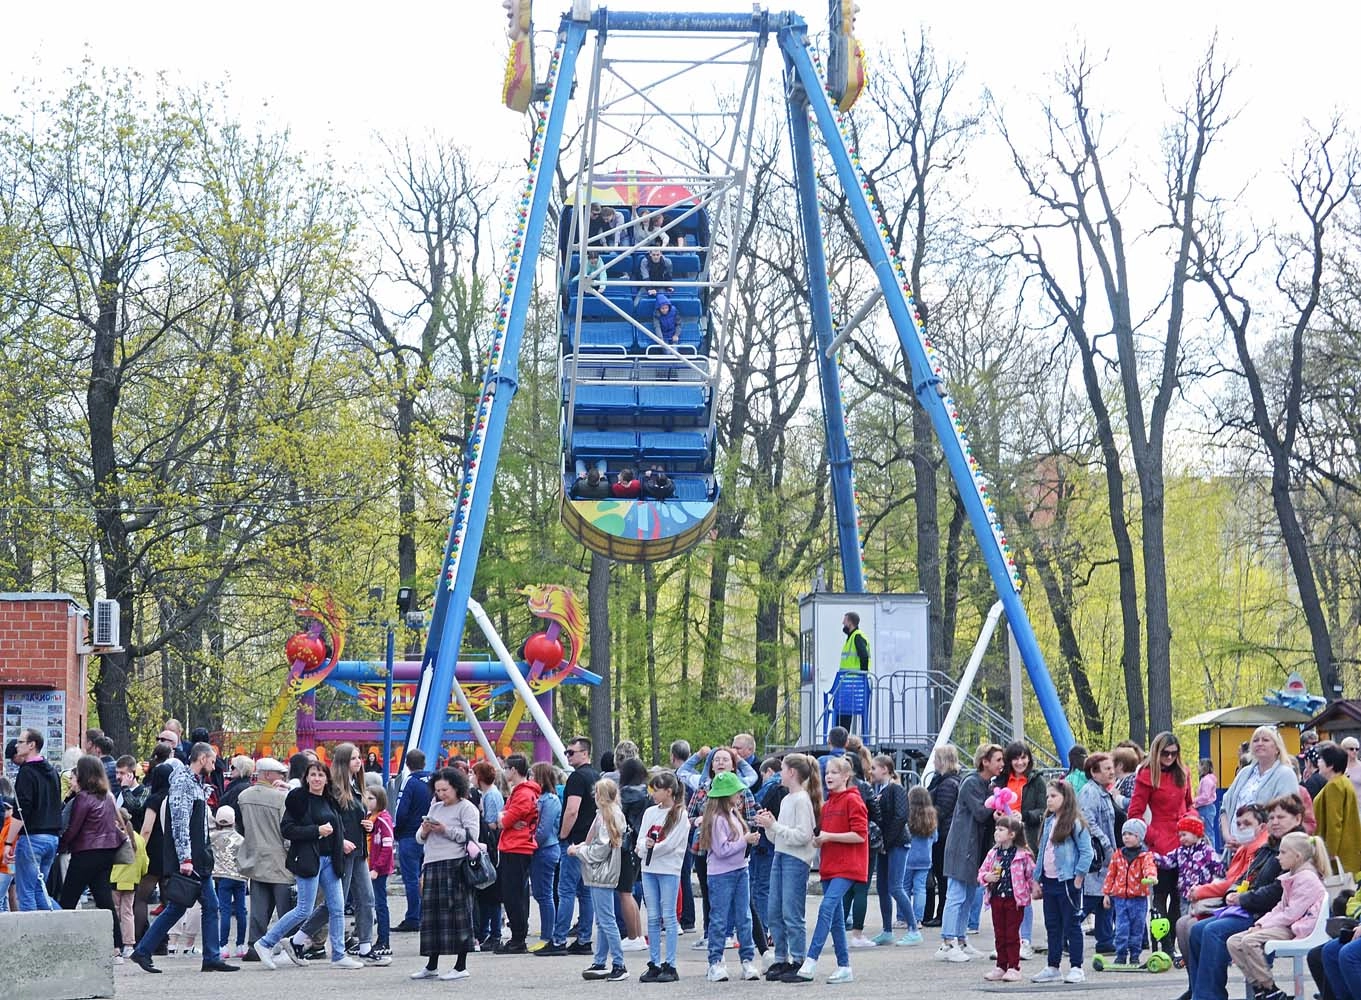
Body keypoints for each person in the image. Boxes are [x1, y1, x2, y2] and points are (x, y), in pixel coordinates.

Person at [1184, 794, 1307, 1000]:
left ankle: (1208, 996)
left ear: (1297, 819)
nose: (1275, 822)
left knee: (1213, 931)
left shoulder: (1296, 849)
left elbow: (1276, 892)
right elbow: (1246, 878)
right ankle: (1203, 993)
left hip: (1270, 916)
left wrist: (1242, 899)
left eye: (1281, 817)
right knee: (1197, 930)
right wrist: (1234, 893)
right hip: (1251, 908)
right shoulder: (1269, 847)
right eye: (1272, 817)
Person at [130, 744, 240, 974]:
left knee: (192, 907)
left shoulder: (193, 783)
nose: (214, 764)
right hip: (192, 859)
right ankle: (206, 956)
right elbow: (180, 824)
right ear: (201, 758)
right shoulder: (183, 783)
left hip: (197, 857)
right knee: (195, 907)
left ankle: (147, 951)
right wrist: (186, 858)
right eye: (212, 760)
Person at [291, 743, 384, 965]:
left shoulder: (357, 786)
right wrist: (340, 841)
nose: (359, 761)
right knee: (335, 903)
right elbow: (329, 819)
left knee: (366, 898)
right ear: (343, 762)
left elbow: (353, 816)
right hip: (341, 850)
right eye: (353, 758)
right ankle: (299, 938)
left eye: (359, 758)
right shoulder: (333, 789)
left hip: (359, 849)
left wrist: (367, 826)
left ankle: (365, 946)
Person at [784, 756, 867, 984]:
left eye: (835, 772)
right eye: (827, 772)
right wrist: (820, 840)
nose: (829, 776)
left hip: (848, 867)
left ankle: (811, 960)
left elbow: (860, 835)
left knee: (827, 907)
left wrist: (829, 837)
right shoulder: (828, 805)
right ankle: (844, 966)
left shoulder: (853, 801)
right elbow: (827, 834)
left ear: (846, 776)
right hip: (830, 866)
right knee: (836, 919)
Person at [1173, 803, 1269, 994]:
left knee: (1200, 928)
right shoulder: (1245, 849)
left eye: (1247, 823)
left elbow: (1235, 884)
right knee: (1184, 925)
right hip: (1235, 904)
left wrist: (1202, 891)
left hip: (1251, 910)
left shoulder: (1261, 849)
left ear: (1262, 825)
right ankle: (1197, 988)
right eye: (1239, 824)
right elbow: (1232, 882)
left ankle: (1206, 992)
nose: (1241, 828)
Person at [1226, 830, 1328, 1000]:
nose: (1278, 857)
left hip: (1299, 928)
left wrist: (1262, 927)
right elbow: (1280, 908)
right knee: (1233, 942)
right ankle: (1259, 987)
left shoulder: (1307, 879)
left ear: (1297, 856)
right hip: (1288, 924)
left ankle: (1269, 987)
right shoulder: (1293, 876)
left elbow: (1291, 914)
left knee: (1249, 941)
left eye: (1283, 852)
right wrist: (1260, 925)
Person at [406, 767, 480, 981]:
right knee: (432, 917)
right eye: (437, 790)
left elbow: (470, 836)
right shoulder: (435, 807)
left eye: (445, 789)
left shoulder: (467, 808)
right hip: (432, 863)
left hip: (455, 865)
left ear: (457, 787)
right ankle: (431, 964)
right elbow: (419, 837)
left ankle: (461, 964)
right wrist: (426, 830)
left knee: (458, 915)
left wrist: (444, 829)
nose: (441, 794)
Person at [683, 746, 759, 947]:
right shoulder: (702, 789)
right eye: (716, 760)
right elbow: (688, 816)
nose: (720, 763)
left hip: (734, 850)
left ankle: (729, 934)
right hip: (703, 847)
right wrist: (699, 819)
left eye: (725, 759)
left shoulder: (742, 789)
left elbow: (752, 818)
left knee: (737, 896)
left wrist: (740, 832)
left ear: (734, 765)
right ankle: (710, 933)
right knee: (709, 891)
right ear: (710, 765)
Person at [936, 742, 1003, 962]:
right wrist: (996, 808)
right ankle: (947, 943)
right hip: (962, 846)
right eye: (998, 760)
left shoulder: (987, 784)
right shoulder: (971, 783)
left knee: (966, 896)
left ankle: (961, 939)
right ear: (985, 761)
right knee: (955, 894)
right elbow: (981, 813)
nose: (1002, 764)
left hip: (975, 848)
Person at [756, 752, 819, 981]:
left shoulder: (802, 799)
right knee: (775, 911)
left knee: (792, 912)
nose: (779, 774)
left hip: (796, 859)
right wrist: (769, 827)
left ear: (792, 772)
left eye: (782, 769)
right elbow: (779, 838)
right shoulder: (785, 799)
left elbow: (803, 835)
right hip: (781, 855)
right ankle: (781, 958)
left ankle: (798, 958)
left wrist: (776, 827)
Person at [1129, 730, 1194, 952]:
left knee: (1179, 898)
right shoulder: (1146, 775)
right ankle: (1161, 944)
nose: (1169, 758)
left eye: (1174, 754)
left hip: (1184, 842)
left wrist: (1192, 822)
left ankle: (1171, 946)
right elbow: (1134, 813)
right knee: (1159, 897)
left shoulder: (1183, 773)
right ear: (1157, 752)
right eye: (1165, 753)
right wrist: (1152, 836)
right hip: (1160, 843)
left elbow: (1190, 803)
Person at [59, 754, 125, 951]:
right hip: (106, 852)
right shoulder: (106, 797)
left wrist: (61, 846)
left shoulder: (83, 798)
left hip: (86, 852)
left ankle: (60, 940)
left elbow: (73, 828)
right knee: (104, 899)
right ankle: (117, 945)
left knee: (68, 898)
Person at [1030, 778, 1094, 984]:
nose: (1049, 800)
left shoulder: (1075, 823)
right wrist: (1036, 879)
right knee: (1052, 925)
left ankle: (1077, 966)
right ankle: (1053, 965)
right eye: (1048, 796)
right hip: (1049, 882)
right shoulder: (1048, 822)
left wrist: (1078, 877)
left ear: (1066, 798)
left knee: (1071, 924)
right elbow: (1042, 852)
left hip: (1067, 881)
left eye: (1054, 796)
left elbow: (1086, 852)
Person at [699, 771, 760, 983]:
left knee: (744, 917)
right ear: (727, 795)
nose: (740, 795)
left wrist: (747, 840)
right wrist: (745, 840)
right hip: (721, 874)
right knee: (719, 919)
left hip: (740, 870)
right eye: (736, 792)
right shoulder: (717, 819)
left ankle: (747, 960)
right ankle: (715, 962)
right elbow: (722, 850)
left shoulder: (733, 814)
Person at [541, 736, 599, 956]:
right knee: (585, 892)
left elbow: (572, 809)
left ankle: (558, 940)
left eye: (571, 752)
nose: (567, 756)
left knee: (565, 891)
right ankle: (584, 939)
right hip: (590, 841)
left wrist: (563, 835)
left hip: (575, 841)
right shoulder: (596, 776)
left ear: (584, 753)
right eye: (566, 752)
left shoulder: (576, 778)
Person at [234, 756, 292, 961]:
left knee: (258, 907)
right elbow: (287, 831)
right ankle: (288, 944)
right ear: (268, 775)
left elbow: (240, 827)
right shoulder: (280, 799)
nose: (282, 777)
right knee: (286, 908)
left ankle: (254, 945)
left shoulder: (244, 796)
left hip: (255, 857)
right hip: (279, 859)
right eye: (280, 774)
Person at [572, 777, 629, 982]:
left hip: (601, 872)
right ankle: (600, 960)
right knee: (604, 920)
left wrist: (579, 851)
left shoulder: (607, 816)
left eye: (597, 793)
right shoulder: (610, 814)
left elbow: (600, 849)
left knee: (606, 919)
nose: (594, 796)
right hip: (603, 872)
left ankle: (619, 963)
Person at [995, 741, 1046, 958]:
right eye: (1015, 758)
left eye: (1023, 757)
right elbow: (995, 805)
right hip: (1002, 842)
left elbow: (1043, 810)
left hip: (1026, 840)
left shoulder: (1037, 781)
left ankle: (1024, 940)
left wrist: (1024, 817)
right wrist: (997, 816)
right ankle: (1006, 941)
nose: (1020, 762)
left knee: (1022, 891)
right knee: (1002, 893)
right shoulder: (1000, 781)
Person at [637, 770, 689, 983]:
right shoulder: (650, 812)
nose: (652, 794)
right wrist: (643, 848)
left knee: (668, 915)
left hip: (668, 869)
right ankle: (654, 962)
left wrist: (652, 849)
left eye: (656, 790)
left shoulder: (680, 815)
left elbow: (671, 844)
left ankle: (671, 963)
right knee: (652, 916)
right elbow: (641, 837)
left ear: (669, 791)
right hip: (648, 869)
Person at [5, 727, 62, 911]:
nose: (16, 745)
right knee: (40, 890)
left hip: (32, 839)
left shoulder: (26, 772)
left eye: (20, 742)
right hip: (52, 838)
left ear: (32, 745)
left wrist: (8, 842)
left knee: (26, 893)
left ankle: (29, 937)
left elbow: (21, 812)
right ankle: (62, 924)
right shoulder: (52, 772)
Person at [1220, 726, 1302, 847]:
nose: (1260, 743)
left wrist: (1254, 842)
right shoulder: (1244, 773)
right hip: (1234, 849)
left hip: (1266, 849)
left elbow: (1286, 815)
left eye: (1265, 740)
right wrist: (1227, 836)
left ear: (1277, 748)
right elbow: (1225, 807)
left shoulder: (1285, 774)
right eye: (1256, 740)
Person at [979, 814, 1035, 982]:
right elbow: (981, 872)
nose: (997, 832)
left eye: (1001, 829)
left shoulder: (1023, 855)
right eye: (996, 828)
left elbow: (1031, 875)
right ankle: (1001, 965)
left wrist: (1035, 889)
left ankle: (1014, 966)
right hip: (997, 898)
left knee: (1012, 934)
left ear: (1012, 834)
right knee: (999, 933)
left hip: (1014, 900)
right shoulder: (993, 853)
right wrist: (986, 877)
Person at [495, 754, 539, 954]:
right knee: (514, 893)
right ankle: (518, 935)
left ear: (513, 770)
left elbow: (503, 820)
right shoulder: (522, 792)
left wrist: (506, 819)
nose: (504, 772)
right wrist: (506, 818)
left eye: (506, 768)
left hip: (516, 846)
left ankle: (518, 937)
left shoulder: (522, 794)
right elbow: (504, 816)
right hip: (516, 844)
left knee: (513, 894)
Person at [1077, 751, 1119, 955]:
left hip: (1106, 853)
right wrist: (1104, 844)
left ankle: (1105, 939)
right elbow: (1087, 820)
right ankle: (1069, 932)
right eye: (1107, 769)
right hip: (1097, 855)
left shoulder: (1104, 792)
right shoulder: (1090, 792)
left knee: (1106, 895)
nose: (1112, 772)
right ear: (1094, 772)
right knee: (1094, 897)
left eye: (1112, 768)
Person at [1101, 818, 1158, 967]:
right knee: (1121, 928)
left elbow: (1149, 867)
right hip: (1120, 899)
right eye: (1124, 834)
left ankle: (1134, 955)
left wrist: (1151, 876)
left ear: (1139, 837)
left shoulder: (1145, 856)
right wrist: (1107, 893)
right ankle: (1120, 955)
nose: (1126, 837)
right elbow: (1110, 875)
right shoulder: (1118, 855)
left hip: (1138, 899)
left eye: (1130, 834)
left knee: (1137, 928)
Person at [393, 747, 433, 931]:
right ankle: (428, 914)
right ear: (424, 763)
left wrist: (397, 831)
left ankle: (413, 917)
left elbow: (401, 811)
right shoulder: (433, 780)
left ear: (407, 765)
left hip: (410, 835)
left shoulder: (410, 782)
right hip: (431, 835)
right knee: (427, 877)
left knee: (411, 878)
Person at [924, 744, 961, 927]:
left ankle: (942, 914)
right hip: (944, 834)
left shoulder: (946, 783)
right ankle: (940, 913)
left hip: (943, 835)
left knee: (942, 875)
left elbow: (943, 809)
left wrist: (924, 814)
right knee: (941, 875)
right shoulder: (944, 780)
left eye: (937, 759)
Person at [1152, 813, 1220, 914]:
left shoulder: (1207, 852)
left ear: (1196, 833)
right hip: (1185, 895)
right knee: (1184, 917)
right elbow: (1168, 861)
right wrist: (1153, 857)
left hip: (1202, 894)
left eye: (1184, 835)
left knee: (1199, 916)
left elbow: (1218, 867)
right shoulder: (1180, 851)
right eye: (1180, 836)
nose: (1181, 839)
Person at [616, 757, 650, 952]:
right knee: (630, 892)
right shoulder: (647, 794)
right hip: (639, 845)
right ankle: (636, 934)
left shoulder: (624, 796)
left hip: (626, 846)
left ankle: (632, 935)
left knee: (625, 893)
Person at [1313, 743, 1361, 875]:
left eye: (1321, 760)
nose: (1318, 762)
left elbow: (1334, 822)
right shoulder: (1343, 781)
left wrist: (1330, 852)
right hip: (1349, 847)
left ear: (1330, 765)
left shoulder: (1334, 785)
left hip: (1339, 853)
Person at [529, 761, 561, 953]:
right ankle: (547, 929)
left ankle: (547, 935)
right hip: (541, 849)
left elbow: (543, 829)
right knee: (542, 894)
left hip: (545, 850)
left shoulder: (550, 801)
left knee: (544, 894)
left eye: (533, 776)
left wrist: (530, 844)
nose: (530, 779)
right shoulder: (542, 799)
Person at [749, 756, 783, 940]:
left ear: (769, 771)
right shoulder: (786, 789)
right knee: (767, 888)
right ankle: (766, 928)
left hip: (765, 844)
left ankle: (762, 929)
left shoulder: (771, 787)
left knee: (761, 888)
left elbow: (755, 807)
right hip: (774, 843)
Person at [110, 806, 148, 961]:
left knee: (114, 913)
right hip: (132, 880)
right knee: (128, 913)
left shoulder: (113, 837)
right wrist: (139, 874)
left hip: (115, 878)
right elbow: (145, 862)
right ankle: (129, 945)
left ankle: (115, 946)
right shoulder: (138, 838)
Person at [210, 806, 247, 959]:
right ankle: (240, 946)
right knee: (241, 911)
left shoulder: (213, 837)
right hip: (239, 877)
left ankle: (223, 945)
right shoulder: (240, 839)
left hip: (222, 877)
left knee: (224, 911)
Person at [364, 785, 395, 958]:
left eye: (371, 798)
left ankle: (384, 940)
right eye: (366, 798)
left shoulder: (383, 819)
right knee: (372, 903)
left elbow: (387, 846)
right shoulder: (370, 817)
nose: (368, 802)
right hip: (369, 866)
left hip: (378, 869)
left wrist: (377, 867)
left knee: (380, 904)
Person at [1194, 758, 1221, 850]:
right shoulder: (1209, 779)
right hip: (1206, 808)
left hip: (1206, 808)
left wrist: (1195, 801)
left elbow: (1205, 796)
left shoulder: (1206, 780)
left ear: (1204, 767)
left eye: (1199, 765)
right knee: (1207, 831)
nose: (1197, 767)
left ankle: (1210, 851)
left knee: (1208, 832)